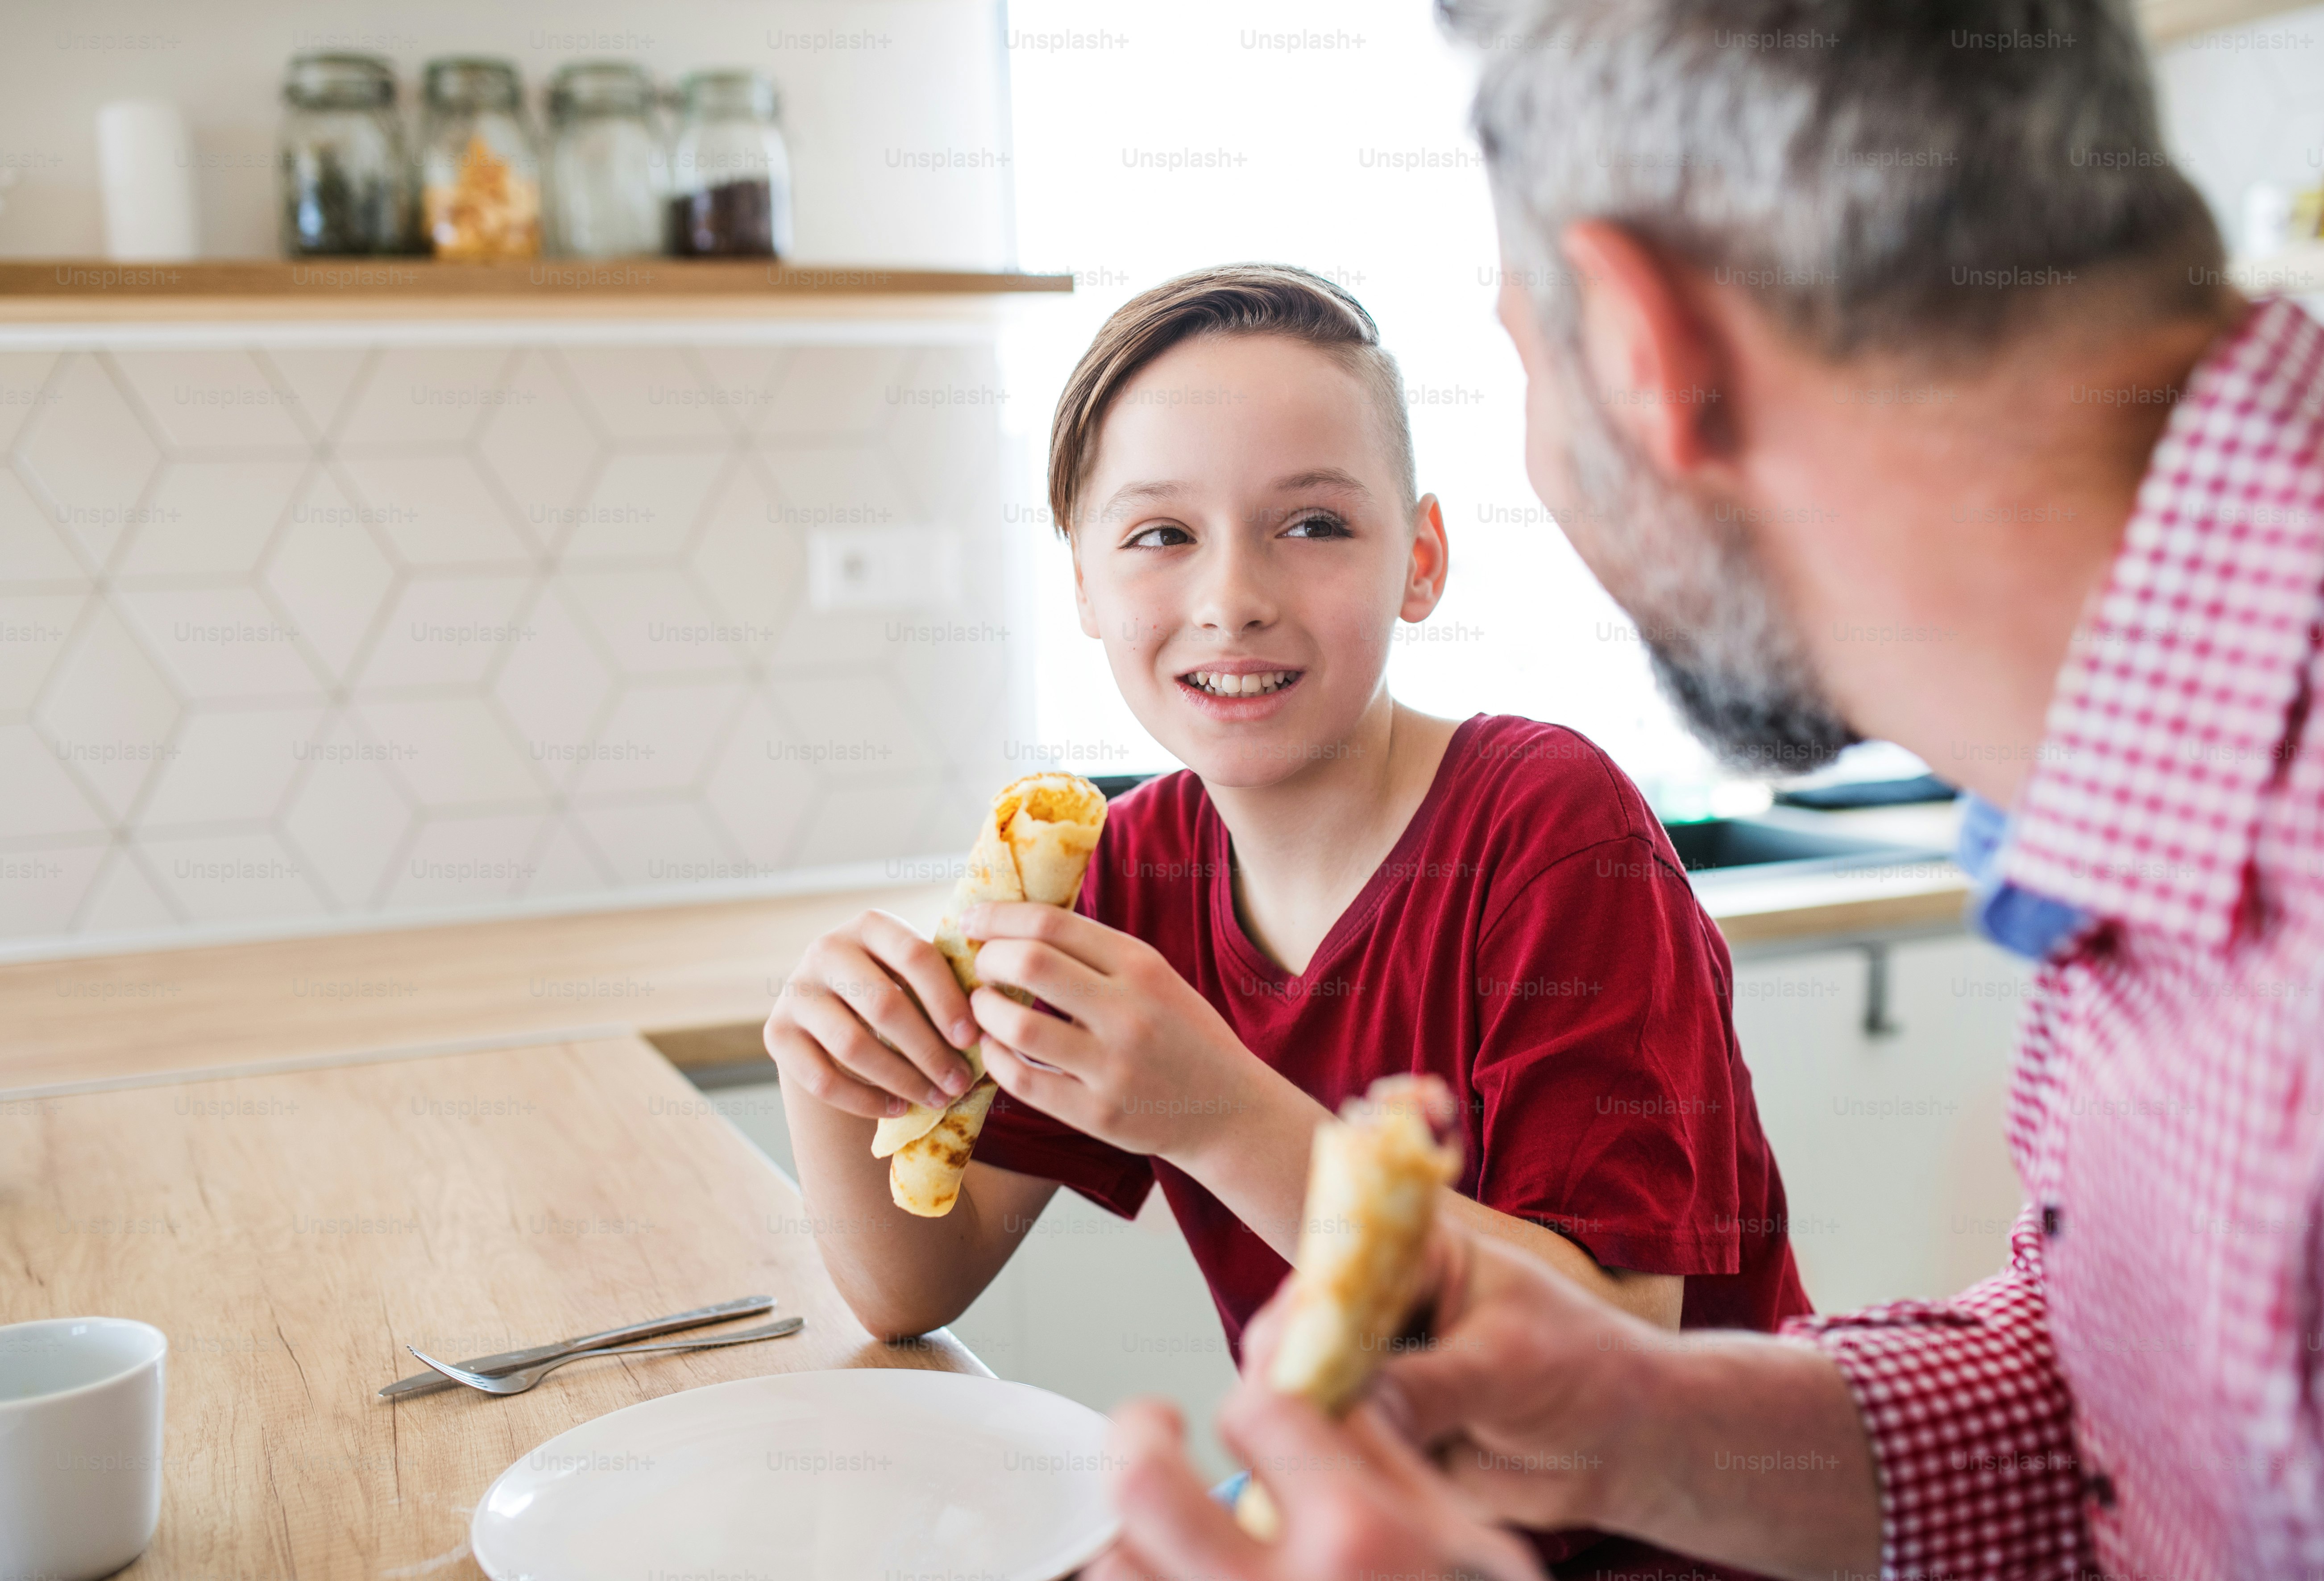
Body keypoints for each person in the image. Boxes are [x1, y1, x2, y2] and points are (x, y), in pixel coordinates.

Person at [1091, 1, 2324, 1578]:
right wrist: (1646, 1424)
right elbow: (2111, 1427)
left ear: (1641, 349)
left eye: (1521, 350)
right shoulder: (2154, 728)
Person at [764, 264, 1809, 1569]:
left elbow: (1617, 1343)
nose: (1233, 597)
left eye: (1311, 525)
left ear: (1419, 559)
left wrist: (1213, 1110)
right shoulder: (1125, 870)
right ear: (1083, 585)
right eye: (1161, 535)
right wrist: (830, 1068)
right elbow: (914, 1284)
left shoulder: (1553, 827)